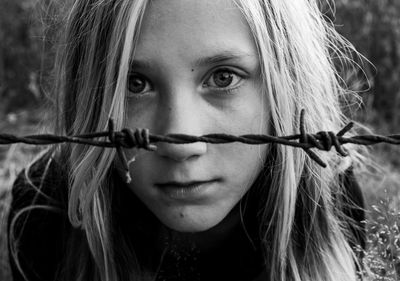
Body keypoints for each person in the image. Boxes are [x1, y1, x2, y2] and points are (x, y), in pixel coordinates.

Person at [7, 0, 367, 280]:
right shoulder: (45, 211)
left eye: (223, 77)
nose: (180, 144)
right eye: (135, 84)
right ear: (88, 97)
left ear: (287, 85)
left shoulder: (328, 196)